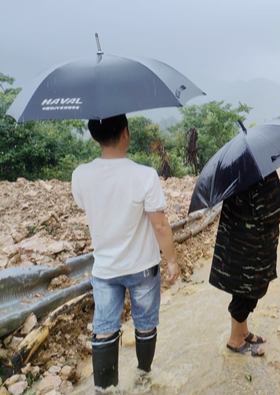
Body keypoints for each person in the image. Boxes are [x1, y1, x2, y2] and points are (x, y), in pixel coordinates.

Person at [71, 114, 181, 390]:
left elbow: (89, 207)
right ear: (126, 133)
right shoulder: (144, 175)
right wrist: (172, 262)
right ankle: (144, 377)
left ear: (94, 137)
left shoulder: (80, 174)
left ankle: (105, 388)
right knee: (145, 324)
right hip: (143, 267)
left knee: (105, 327)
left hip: (106, 269)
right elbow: (159, 225)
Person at [209, 171, 280, 357]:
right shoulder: (257, 172)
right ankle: (235, 341)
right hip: (249, 248)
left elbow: (258, 196)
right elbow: (270, 213)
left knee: (243, 289)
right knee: (246, 292)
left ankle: (243, 332)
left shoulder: (244, 170)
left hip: (241, 243)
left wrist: (278, 184)